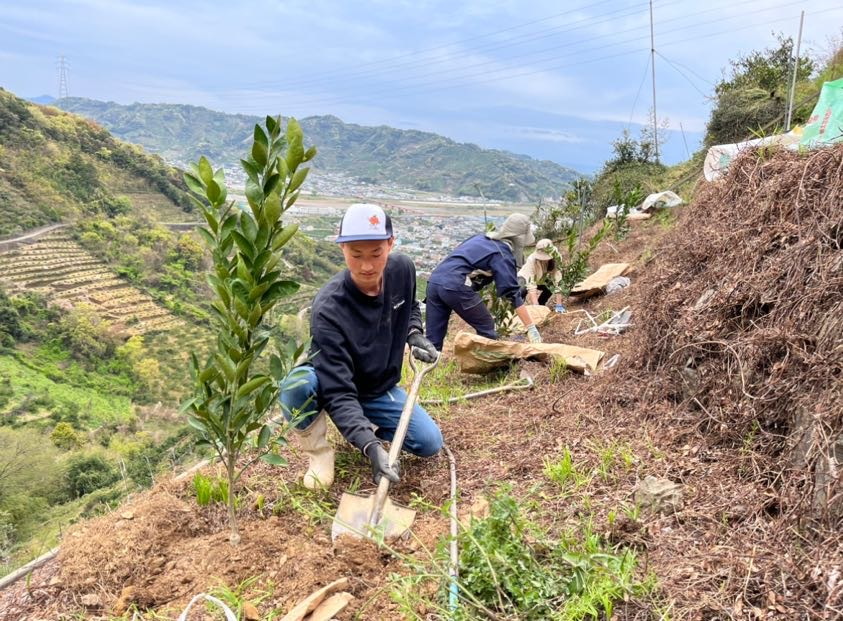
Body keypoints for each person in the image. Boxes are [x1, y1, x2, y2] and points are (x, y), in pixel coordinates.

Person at [278, 203, 442, 490]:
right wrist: (369, 449)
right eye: (356, 255)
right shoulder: (329, 308)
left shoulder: (403, 270)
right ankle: (319, 454)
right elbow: (339, 390)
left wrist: (414, 332)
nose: (367, 266)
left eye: (376, 253)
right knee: (297, 385)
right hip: (332, 384)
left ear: (390, 244)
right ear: (342, 248)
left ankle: (366, 428)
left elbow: (410, 305)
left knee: (429, 443)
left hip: (378, 387)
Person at [424, 213, 543, 350]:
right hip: (454, 284)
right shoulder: (502, 253)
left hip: (434, 282)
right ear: (519, 239)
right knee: (487, 327)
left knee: (432, 342)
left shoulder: (480, 238)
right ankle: (488, 367)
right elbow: (512, 293)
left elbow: (463, 262)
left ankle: (425, 367)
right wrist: (531, 327)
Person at [519, 238, 566, 313]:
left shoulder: (556, 257)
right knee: (521, 290)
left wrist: (559, 304)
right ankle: (519, 310)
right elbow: (531, 284)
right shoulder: (532, 260)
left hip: (541, 278)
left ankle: (541, 304)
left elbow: (557, 280)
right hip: (525, 277)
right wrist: (535, 305)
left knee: (551, 287)